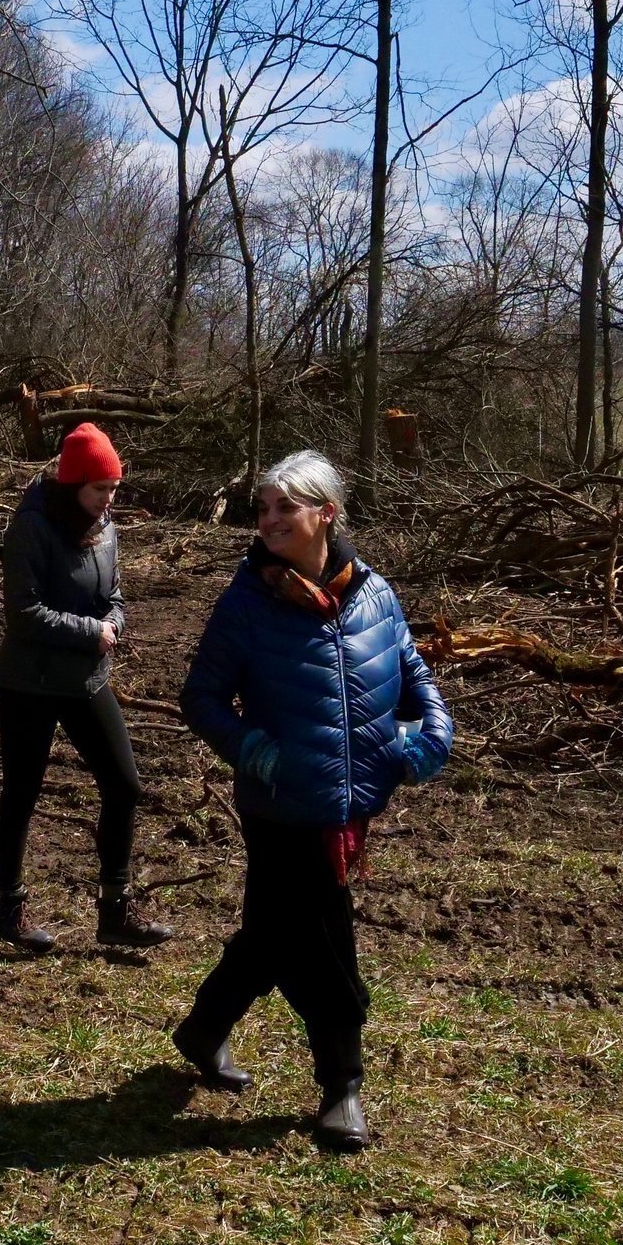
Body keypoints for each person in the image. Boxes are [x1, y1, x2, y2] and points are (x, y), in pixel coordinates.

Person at [173, 450, 452, 1151]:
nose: (267, 521)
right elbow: (201, 697)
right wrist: (257, 751)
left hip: (352, 802)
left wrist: (429, 737)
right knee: (326, 943)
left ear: (324, 513)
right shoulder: (246, 601)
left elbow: (414, 674)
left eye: (283, 508)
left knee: (273, 935)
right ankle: (343, 1085)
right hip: (280, 805)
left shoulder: (374, 593)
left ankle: (204, 1028)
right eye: (262, 509)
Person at [0, 422, 175, 951]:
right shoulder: (32, 527)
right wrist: (93, 632)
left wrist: (115, 621)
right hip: (30, 682)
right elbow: (23, 614)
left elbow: (113, 594)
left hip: (87, 679)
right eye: (99, 490)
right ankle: (10, 911)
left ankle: (116, 909)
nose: (108, 500)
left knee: (124, 786)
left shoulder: (107, 525)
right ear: (73, 487)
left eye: (113, 489)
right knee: (22, 793)